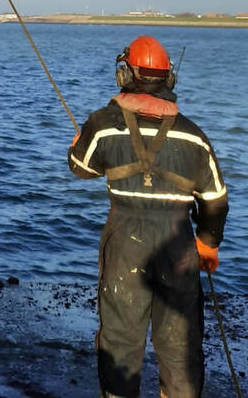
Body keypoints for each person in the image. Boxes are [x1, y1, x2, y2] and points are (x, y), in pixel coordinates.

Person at [68, 35, 228, 398]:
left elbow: (80, 167)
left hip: (124, 241)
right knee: (180, 343)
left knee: (120, 339)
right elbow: (216, 201)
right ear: (168, 79)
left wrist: (79, 143)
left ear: (125, 75)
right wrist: (207, 244)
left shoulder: (102, 124)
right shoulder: (195, 137)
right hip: (179, 245)